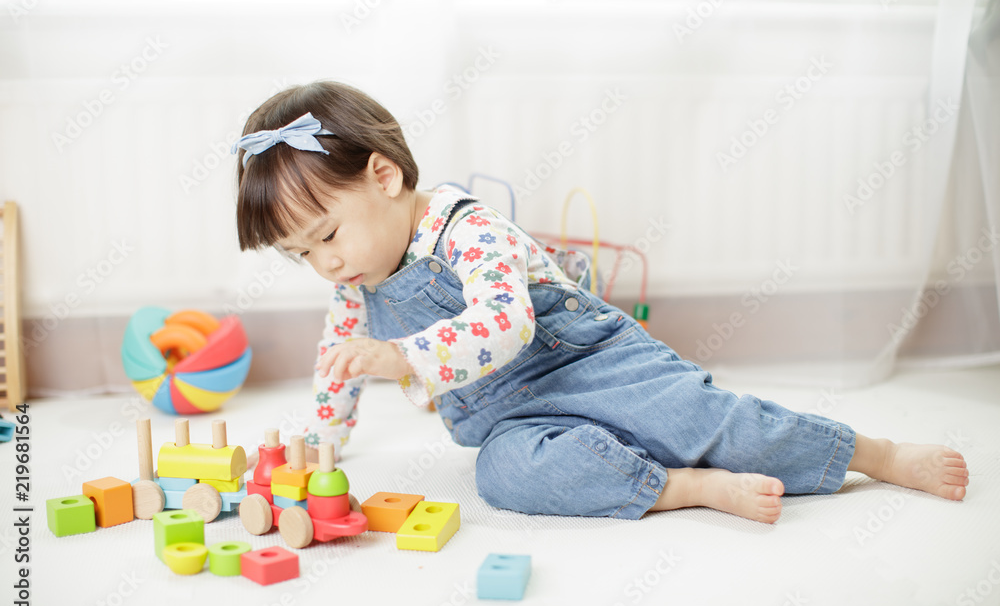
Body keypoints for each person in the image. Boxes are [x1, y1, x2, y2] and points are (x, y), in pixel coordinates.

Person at [231, 80, 969, 523]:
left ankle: (872, 453)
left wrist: (401, 355)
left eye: (327, 235)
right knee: (502, 476)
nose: (325, 265)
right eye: (301, 255)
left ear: (385, 176)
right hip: (515, 416)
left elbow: (506, 324)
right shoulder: (356, 284)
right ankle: (679, 487)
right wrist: (322, 442)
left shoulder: (467, 230)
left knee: (702, 420)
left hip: (586, 361)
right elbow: (338, 365)